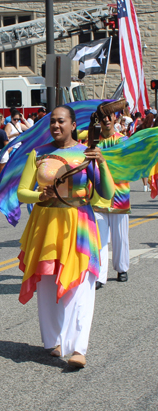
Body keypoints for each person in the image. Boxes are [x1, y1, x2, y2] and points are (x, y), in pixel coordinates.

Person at [17, 105, 115, 368]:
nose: (55, 126)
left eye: (61, 121)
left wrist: (101, 163)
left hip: (79, 225)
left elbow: (106, 193)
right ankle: (54, 340)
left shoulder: (87, 153)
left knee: (80, 285)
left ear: (73, 124)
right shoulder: (39, 154)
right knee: (47, 284)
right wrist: (40, 195)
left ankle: (78, 348)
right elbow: (22, 192)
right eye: (52, 122)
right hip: (46, 224)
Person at [89, 108, 129, 289]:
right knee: (100, 238)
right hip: (98, 197)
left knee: (120, 237)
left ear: (114, 118)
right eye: (102, 117)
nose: (106, 120)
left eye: (108, 117)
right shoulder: (93, 142)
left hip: (119, 195)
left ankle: (122, 268)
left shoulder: (123, 141)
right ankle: (100, 275)